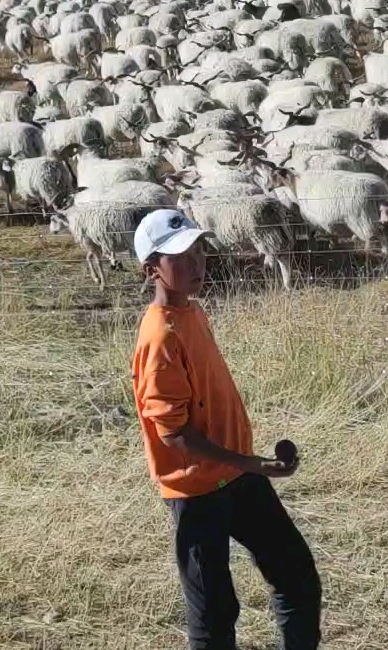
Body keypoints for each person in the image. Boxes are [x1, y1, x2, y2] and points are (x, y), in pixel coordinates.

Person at [129, 208, 321, 650]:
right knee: (214, 615)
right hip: (196, 490)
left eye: (199, 250)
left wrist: (248, 465)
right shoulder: (159, 337)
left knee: (296, 577)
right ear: (151, 268)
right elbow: (172, 434)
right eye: (179, 255)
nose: (196, 263)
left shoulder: (192, 313)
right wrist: (250, 462)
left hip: (237, 476)